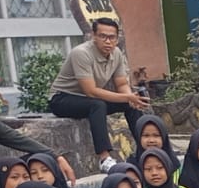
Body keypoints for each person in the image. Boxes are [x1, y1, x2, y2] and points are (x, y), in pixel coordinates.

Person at [47, 20, 148, 172]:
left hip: (89, 100)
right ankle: (105, 159)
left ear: (117, 38)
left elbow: (121, 84)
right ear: (94, 36)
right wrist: (128, 97)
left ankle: (146, 150)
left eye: (112, 37)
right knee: (97, 104)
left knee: (130, 105)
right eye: (103, 36)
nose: (108, 41)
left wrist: (131, 98)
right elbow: (91, 91)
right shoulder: (81, 53)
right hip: (62, 98)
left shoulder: (117, 54)